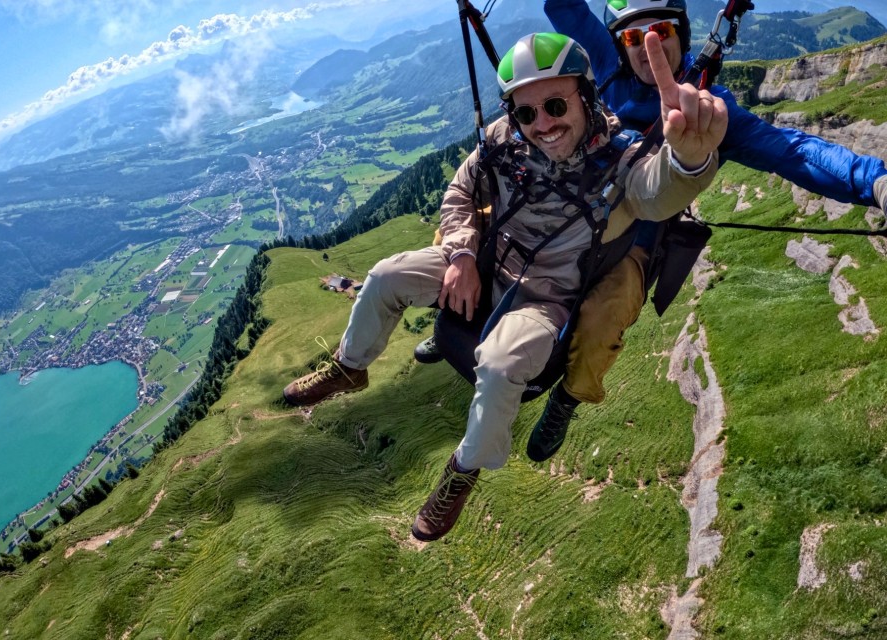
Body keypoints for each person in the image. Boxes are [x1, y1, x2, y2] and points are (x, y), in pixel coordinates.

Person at [283, 31, 727, 541]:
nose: (543, 124)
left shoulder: (621, 162)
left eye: (556, 104)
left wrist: (689, 160)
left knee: (497, 364)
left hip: (543, 301)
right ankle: (350, 367)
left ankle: (465, 470)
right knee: (386, 275)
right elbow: (459, 190)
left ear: (585, 96)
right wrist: (464, 253)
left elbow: (657, 195)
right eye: (526, 113)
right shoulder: (501, 141)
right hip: (487, 264)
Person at [499, 0, 887, 464]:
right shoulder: (606, 67)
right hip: (569, 208)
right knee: (496, 230)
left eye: (660, 30)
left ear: (680, 34)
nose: (648, 46)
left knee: (607, 313)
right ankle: (456, 321)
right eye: (631, 37)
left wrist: (874, 181)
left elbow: (794, 152)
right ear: (617, 44)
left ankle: (568, 399)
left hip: (635, 237)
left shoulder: (707, 112)